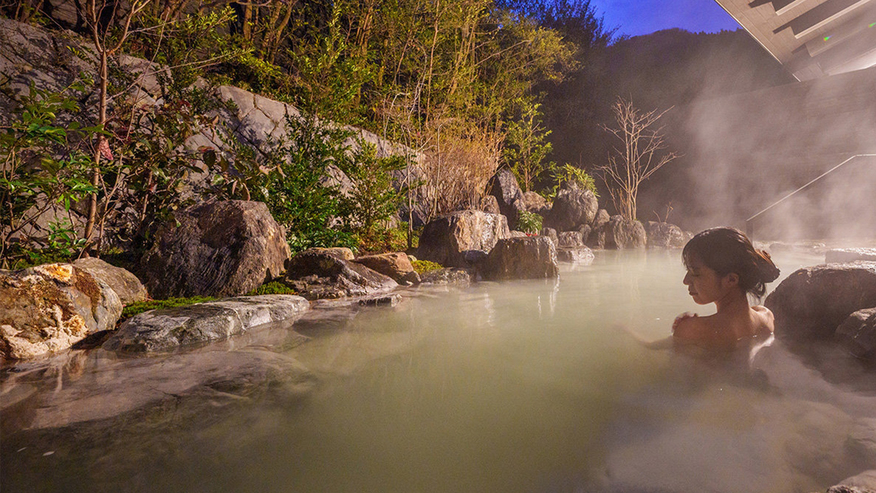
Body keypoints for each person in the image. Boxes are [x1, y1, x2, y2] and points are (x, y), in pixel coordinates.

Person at [628, 227, 781, 352]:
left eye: (695, 273)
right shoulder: (766, 317)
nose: (686, 281)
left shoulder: (694, 330)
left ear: (731, 280)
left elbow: (674, 376)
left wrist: (627, 333)